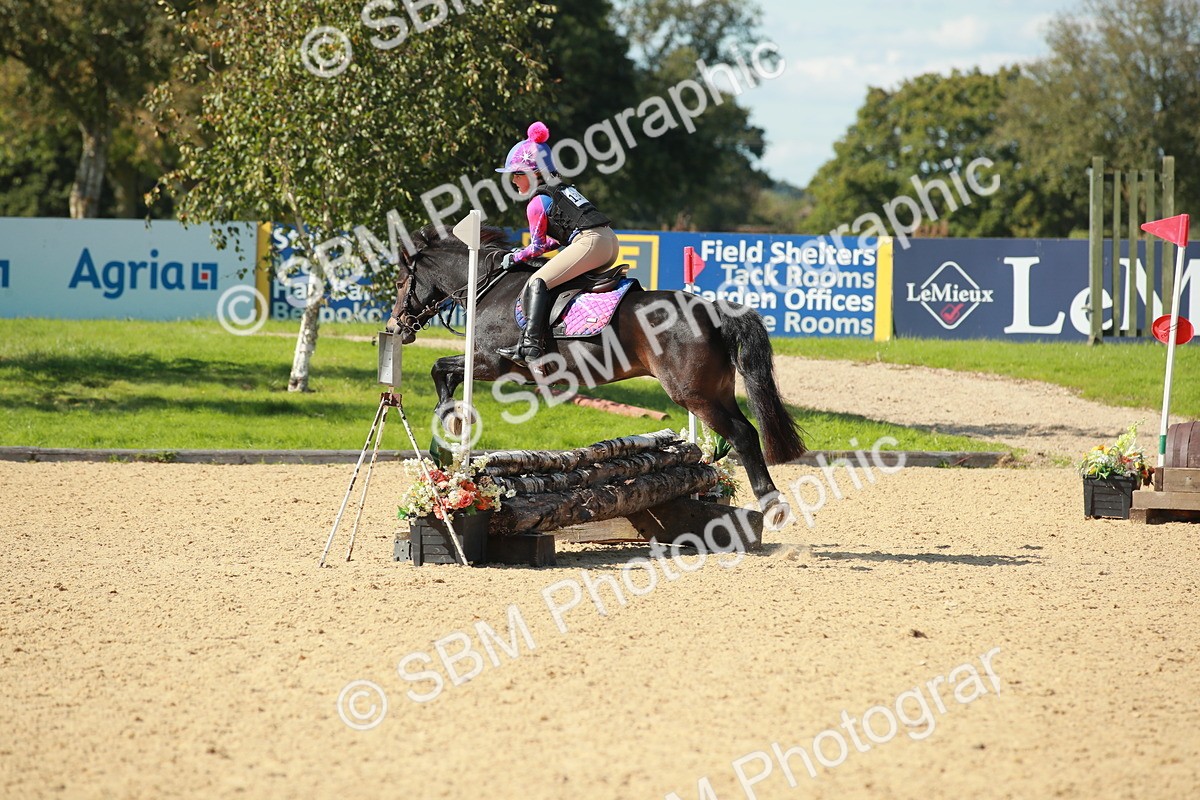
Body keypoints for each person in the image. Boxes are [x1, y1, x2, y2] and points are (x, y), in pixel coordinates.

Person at [493, 121, 620, 367]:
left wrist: (515, 256)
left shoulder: (537, 203)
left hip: (591, 242)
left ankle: (530, 345)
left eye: (516, 174)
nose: (513, 181)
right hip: (608, 241)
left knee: (537, 281)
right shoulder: (561, 188)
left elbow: (538, 247)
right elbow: (554, 240)